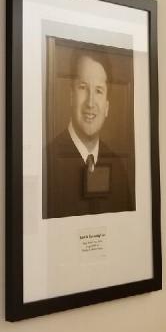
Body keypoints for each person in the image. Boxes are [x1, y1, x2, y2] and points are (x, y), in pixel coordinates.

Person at [45, 48, 134, 218]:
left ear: (107, 107)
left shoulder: (119, 169)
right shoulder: (46, 163)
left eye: (99, 90)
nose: (90, 102)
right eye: (83, 88)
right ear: (71, 96)